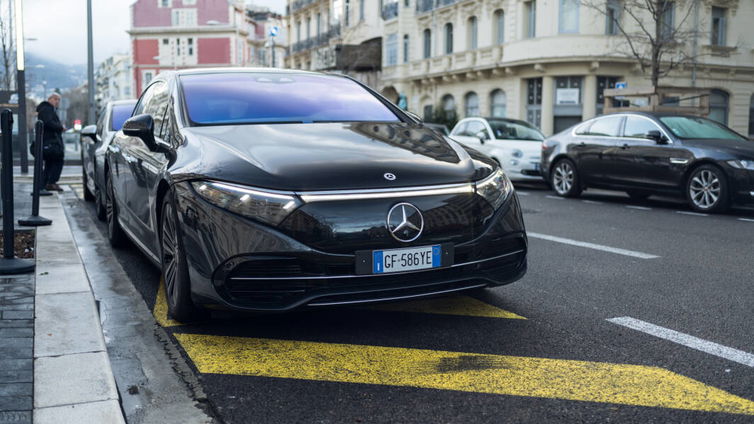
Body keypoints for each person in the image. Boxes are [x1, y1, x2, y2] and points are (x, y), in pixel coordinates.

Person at [35, 93, 65, 192]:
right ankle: (50, 183)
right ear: (50, 99)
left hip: (48, 141)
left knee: (50, 163)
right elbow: (48, 123)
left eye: (59, 100)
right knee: (57, 160)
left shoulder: (46, 109)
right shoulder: (47, 109)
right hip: (50, 142)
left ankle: (46, 184)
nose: (57, 102)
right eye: (55, 99)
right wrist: (60, 127)